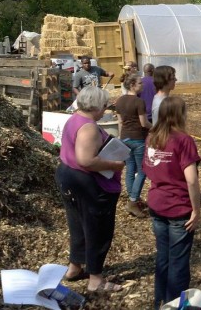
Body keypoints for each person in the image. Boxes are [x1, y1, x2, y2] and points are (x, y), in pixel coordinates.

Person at [55, 86, 126, 292]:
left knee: (77, 224)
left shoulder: (74, 118)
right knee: (98, 229)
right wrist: (116, 165)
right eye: (104, 106)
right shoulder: (89, 127)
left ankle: (75, 268)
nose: (105, 110)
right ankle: (96, 280)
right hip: (86, 183)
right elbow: (86, 160)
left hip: (67, 175)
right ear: (95, 106)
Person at [143, 96, 201, 309]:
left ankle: (160, 300)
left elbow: (148, 168)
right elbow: (192, 179)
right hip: (178, 207)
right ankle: (175, 305)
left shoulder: (152, 137)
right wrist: (196, 209)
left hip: (157, 204)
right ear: (180, 114)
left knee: (163, 256)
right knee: (178, 262)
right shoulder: (183, 140)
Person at [115, 73, 152, 218]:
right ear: (132, 85)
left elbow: (120, 122)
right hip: (138, 139)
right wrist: (155, 127)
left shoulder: (119, 101)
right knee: (142, 170)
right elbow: (144, 123)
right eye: (140, 83)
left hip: (124, 137)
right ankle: (132, 201)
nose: (142, 85)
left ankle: (133, 198)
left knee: (130, 169)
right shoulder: (138, 102)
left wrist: (120, 139)